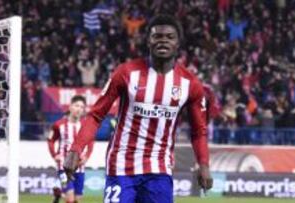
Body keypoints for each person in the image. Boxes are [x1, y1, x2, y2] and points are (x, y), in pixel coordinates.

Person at [64, 14, 212, 203]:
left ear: (178, 43)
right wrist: (75, 150)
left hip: (159, 169)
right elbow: (95, 115)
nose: (163, 41)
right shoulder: (126, 73)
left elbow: (199, 131)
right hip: (121, 166)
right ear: (148, 41)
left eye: (169, 37)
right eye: (157, 36)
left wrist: (204, 164)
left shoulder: (190, 84)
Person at [48, 95, 93, 203]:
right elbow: (51, 140)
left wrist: (86, 156)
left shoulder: (85, 125)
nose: (79, 109)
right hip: (63, 166)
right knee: (70, 199)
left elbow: (90, 142)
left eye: (82, 107)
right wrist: (55, 155)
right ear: (70, 107)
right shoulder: (58, 125)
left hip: (79, 166)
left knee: (77, 200)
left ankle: (59, 194)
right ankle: (62, 193)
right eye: (77, 106)